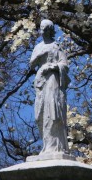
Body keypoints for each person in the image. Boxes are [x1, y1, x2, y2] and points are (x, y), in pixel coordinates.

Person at [30, 19, 70, 154]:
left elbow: (64, 64)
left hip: (53, 80)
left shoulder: (56, 46)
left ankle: (54, 147)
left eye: (45, 29)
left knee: (52, 110)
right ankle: (46, 145)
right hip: (41, 81)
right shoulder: (38, 47)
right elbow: (31, 64)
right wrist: (41, 55)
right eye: (41, 29)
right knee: (40, 114)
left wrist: (54, 66)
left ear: (50, 30)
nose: (43, 32)